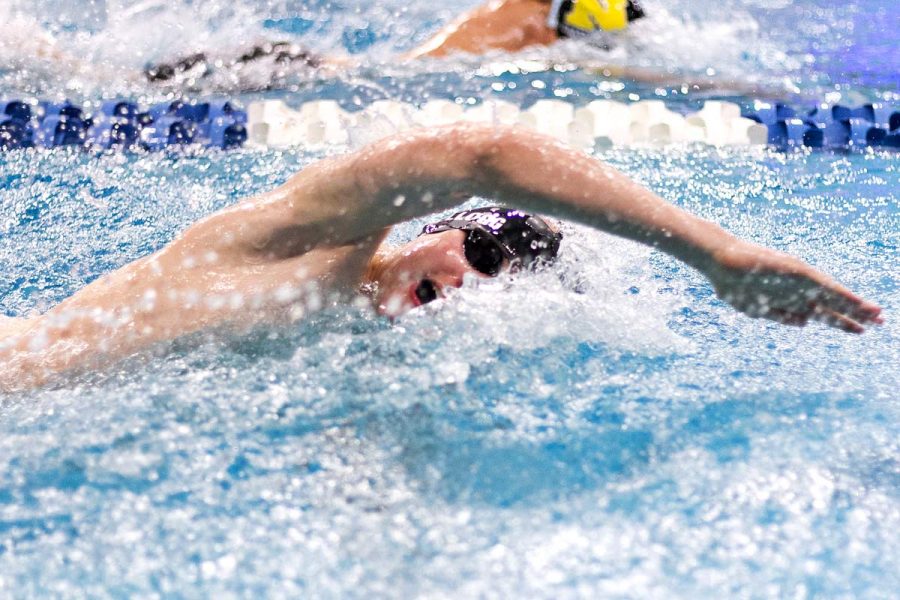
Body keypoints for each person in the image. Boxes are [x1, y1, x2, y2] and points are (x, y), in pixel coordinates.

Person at [0, 125, 883, 392]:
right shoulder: (317, 242)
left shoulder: (346, 364)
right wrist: (716, 256)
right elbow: (484, 153)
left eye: (505, 283)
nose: (474, 285)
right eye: (489, 249)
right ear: (435, 224)